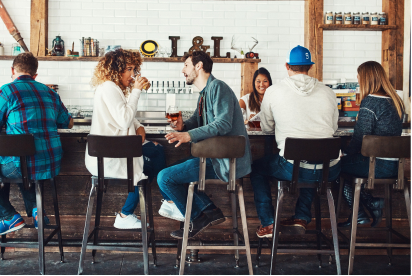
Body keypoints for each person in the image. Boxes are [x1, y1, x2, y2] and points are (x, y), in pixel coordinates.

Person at [0, 52, 73, 235]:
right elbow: (68, 123)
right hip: (50, 163)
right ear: (35, 75)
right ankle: (37, 210)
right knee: (24, 166)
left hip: (21, 165)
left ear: (12, 70)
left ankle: (7, 216)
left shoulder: (7, 91)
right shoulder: (49, 92)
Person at [158, 51, 252, 239]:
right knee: (172, 171)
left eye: (186, 65)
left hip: (226, 161)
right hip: (214, 157)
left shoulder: (218, 87)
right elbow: (197, 120)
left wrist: (188, 135)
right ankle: (210, 211)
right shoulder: (204, 93)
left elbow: (223, 124)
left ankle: (196, 218)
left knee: (164, 178)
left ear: (198, 66)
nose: (183, 70)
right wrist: (183, 126)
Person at [250, 45, 341, 238]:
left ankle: (268, 223)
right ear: (310, 66)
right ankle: (301, 216)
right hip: (330, 168)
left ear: (287, 66)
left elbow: (267, 129)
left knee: (257, 169)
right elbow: (333, 130)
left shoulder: (273, 92)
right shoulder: (328, 92)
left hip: (293, 167)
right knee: (314, 161)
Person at [85, 48, 170, 229]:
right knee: (152, 158)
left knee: (154, 150)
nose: (132, 75)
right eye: (129, 69)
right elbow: (124, 121)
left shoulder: (114, 88)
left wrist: (139, 130)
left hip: (113, 154)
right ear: (116, 69)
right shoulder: (109, 87)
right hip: (108, 160)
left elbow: (129, 119)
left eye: (134, 69)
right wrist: (137, 91)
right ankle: (133, 212)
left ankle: (130, 212)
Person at [338, 61, 405, 228]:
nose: (358, 79)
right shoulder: (396, 101)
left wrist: (345, 154)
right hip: (397, 166)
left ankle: (361, 212)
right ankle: (371, 203)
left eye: (359, 76)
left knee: (334, 167)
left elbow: (360, 138)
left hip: (376, 165)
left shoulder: (371, 102)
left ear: (366, 79)